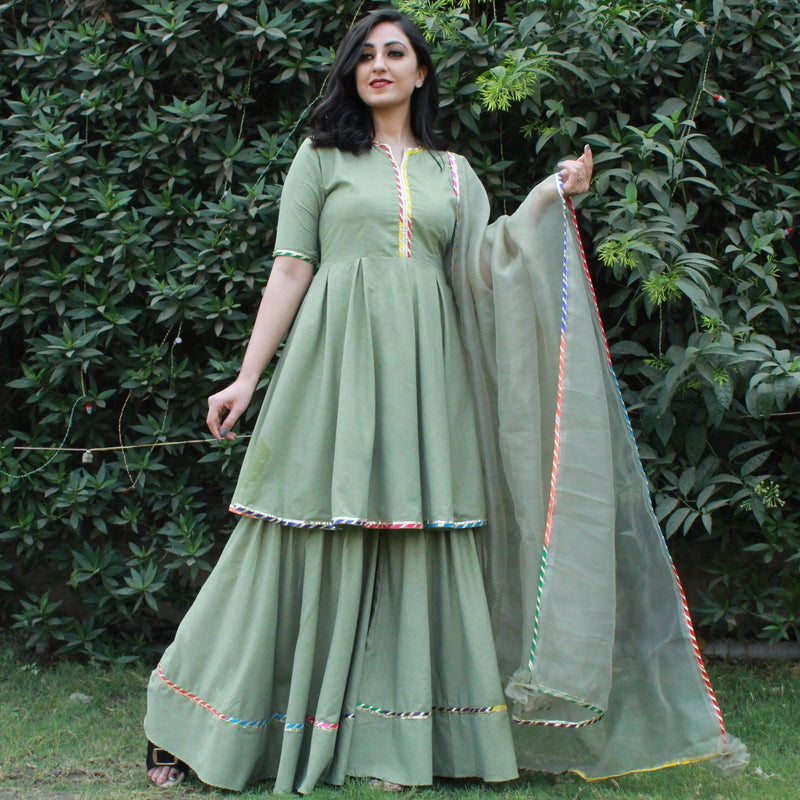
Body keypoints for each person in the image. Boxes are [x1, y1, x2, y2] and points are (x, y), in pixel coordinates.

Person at [145, 8, 746, 792]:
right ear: (352, 73)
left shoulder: (454, 175)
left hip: (426, 386)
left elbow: (487, 268)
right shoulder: (320, 157)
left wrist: (548, 197)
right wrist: (246, 377)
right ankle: (198, 722)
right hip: (331, 371)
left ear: (420, 71)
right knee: (291, 536)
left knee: (417, 544)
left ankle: (397, 744)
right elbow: (291, 269)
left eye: (395, 53)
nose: (379, 65)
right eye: (365, 55)